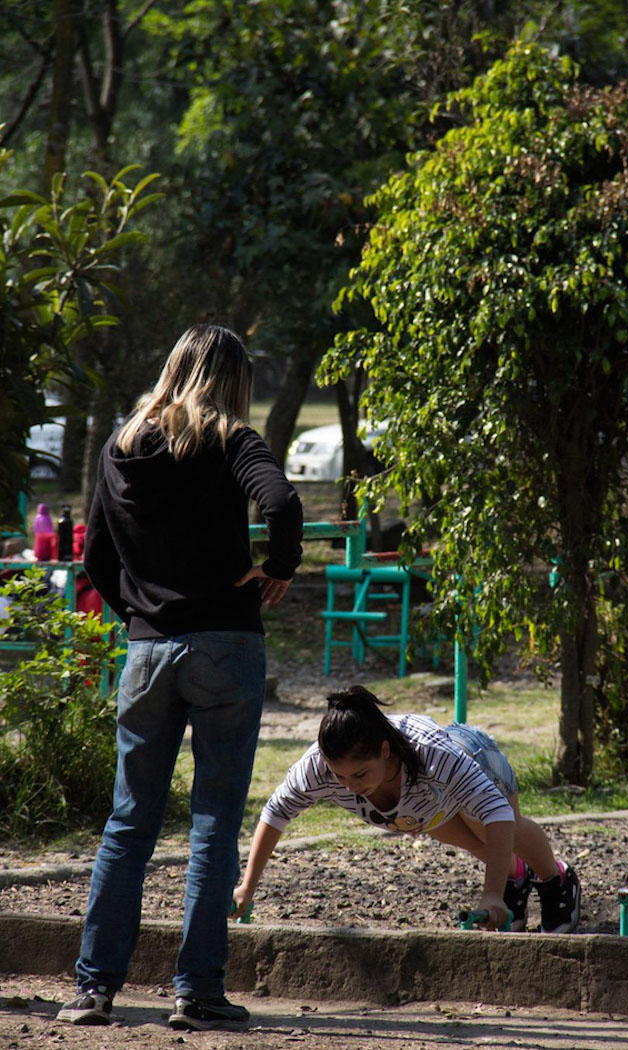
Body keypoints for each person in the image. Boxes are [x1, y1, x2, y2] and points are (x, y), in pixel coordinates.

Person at [57, 323, 303, 1032]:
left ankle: (93, 989)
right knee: (213, 823)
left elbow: (94, 557)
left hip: (147, 654)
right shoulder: (233, 440)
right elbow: (282, 503)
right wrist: (279, 568)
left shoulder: (121, 444)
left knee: (128, 822)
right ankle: (197, 994)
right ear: (235, 382)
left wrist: (140, 613)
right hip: (226, 646)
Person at [232, 685, 581, 935]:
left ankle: (556, 880)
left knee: (496, 831)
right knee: (477, 844)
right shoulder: (317, 768)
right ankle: (514, 878)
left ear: (385, 751)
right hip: (426, 808)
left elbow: (497, 814)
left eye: (360, 774)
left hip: (474, 757)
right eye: (339, 776)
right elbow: (275, 813)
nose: (349, 786)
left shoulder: (433, 754)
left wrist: (489, 894)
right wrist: (247, 887)